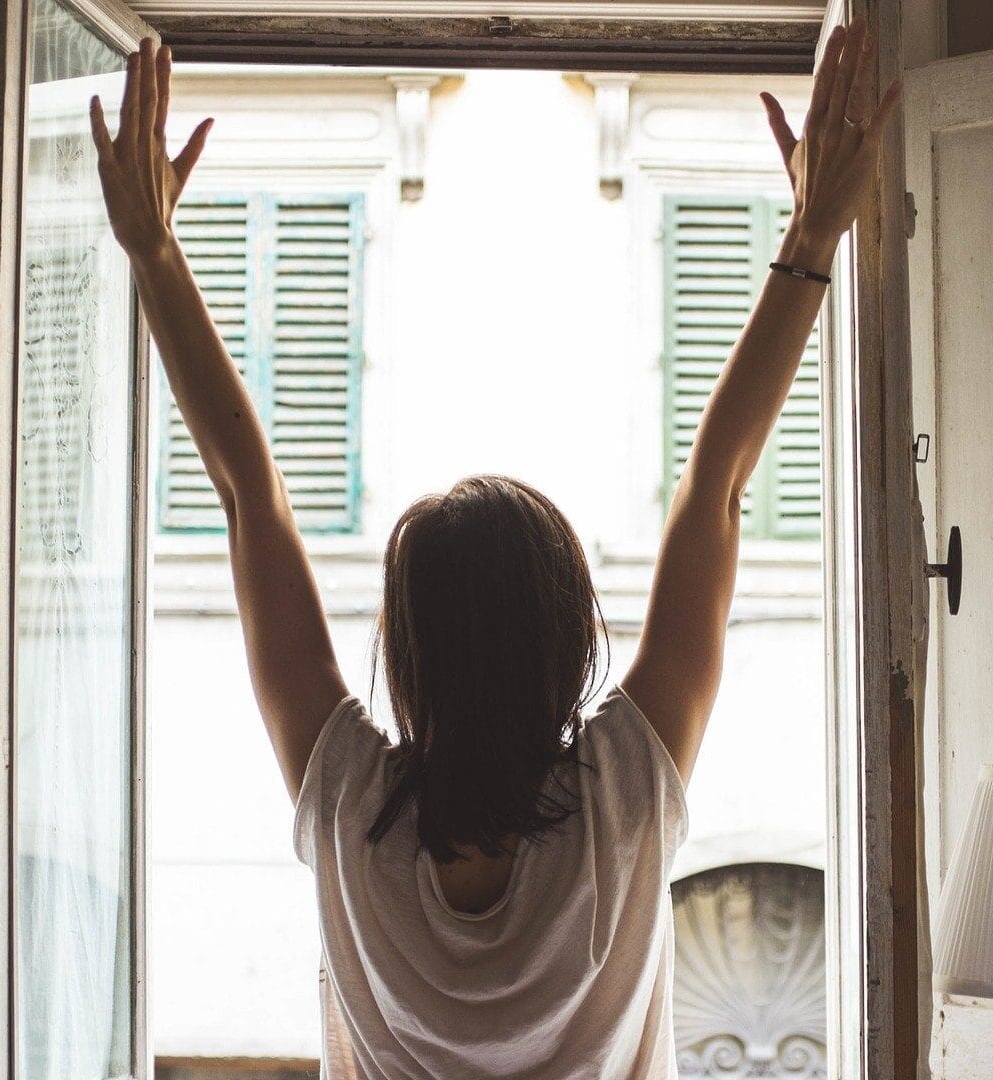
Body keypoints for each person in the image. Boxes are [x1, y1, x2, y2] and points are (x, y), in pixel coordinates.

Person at [91, 24, 897, 1078]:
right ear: (567, 643)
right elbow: (720, 489)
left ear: (410, 650)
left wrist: (153, 251)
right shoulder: (625, 796)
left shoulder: (346, 809)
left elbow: (252, 502)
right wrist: (810, 236)